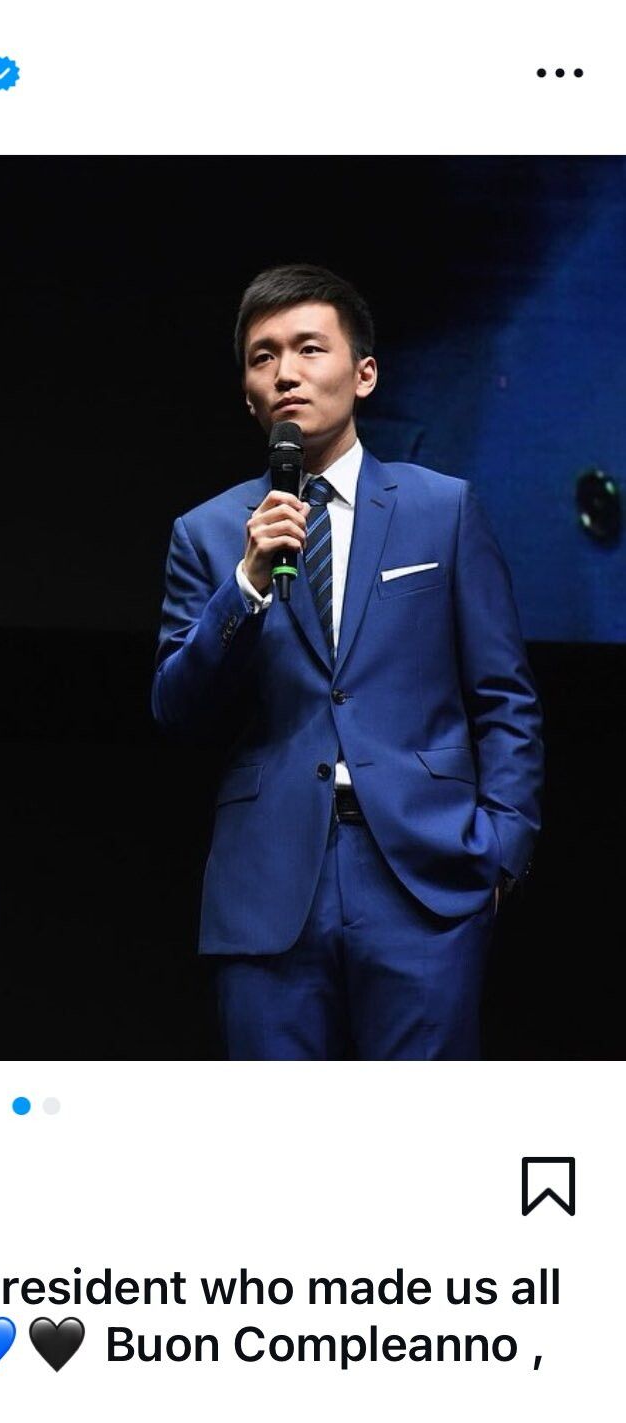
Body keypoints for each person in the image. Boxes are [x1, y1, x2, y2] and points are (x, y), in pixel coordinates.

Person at [152, 264, 543, 1060]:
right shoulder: (208, 532)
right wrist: (244, 585)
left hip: (425, 875)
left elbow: (503, 697)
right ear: (248, 395)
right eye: (262, 357)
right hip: (268, 882)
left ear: (363, 373)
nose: (285, 373)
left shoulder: (441, 510)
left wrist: (501, 849)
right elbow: (176, 711)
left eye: (308, 348)